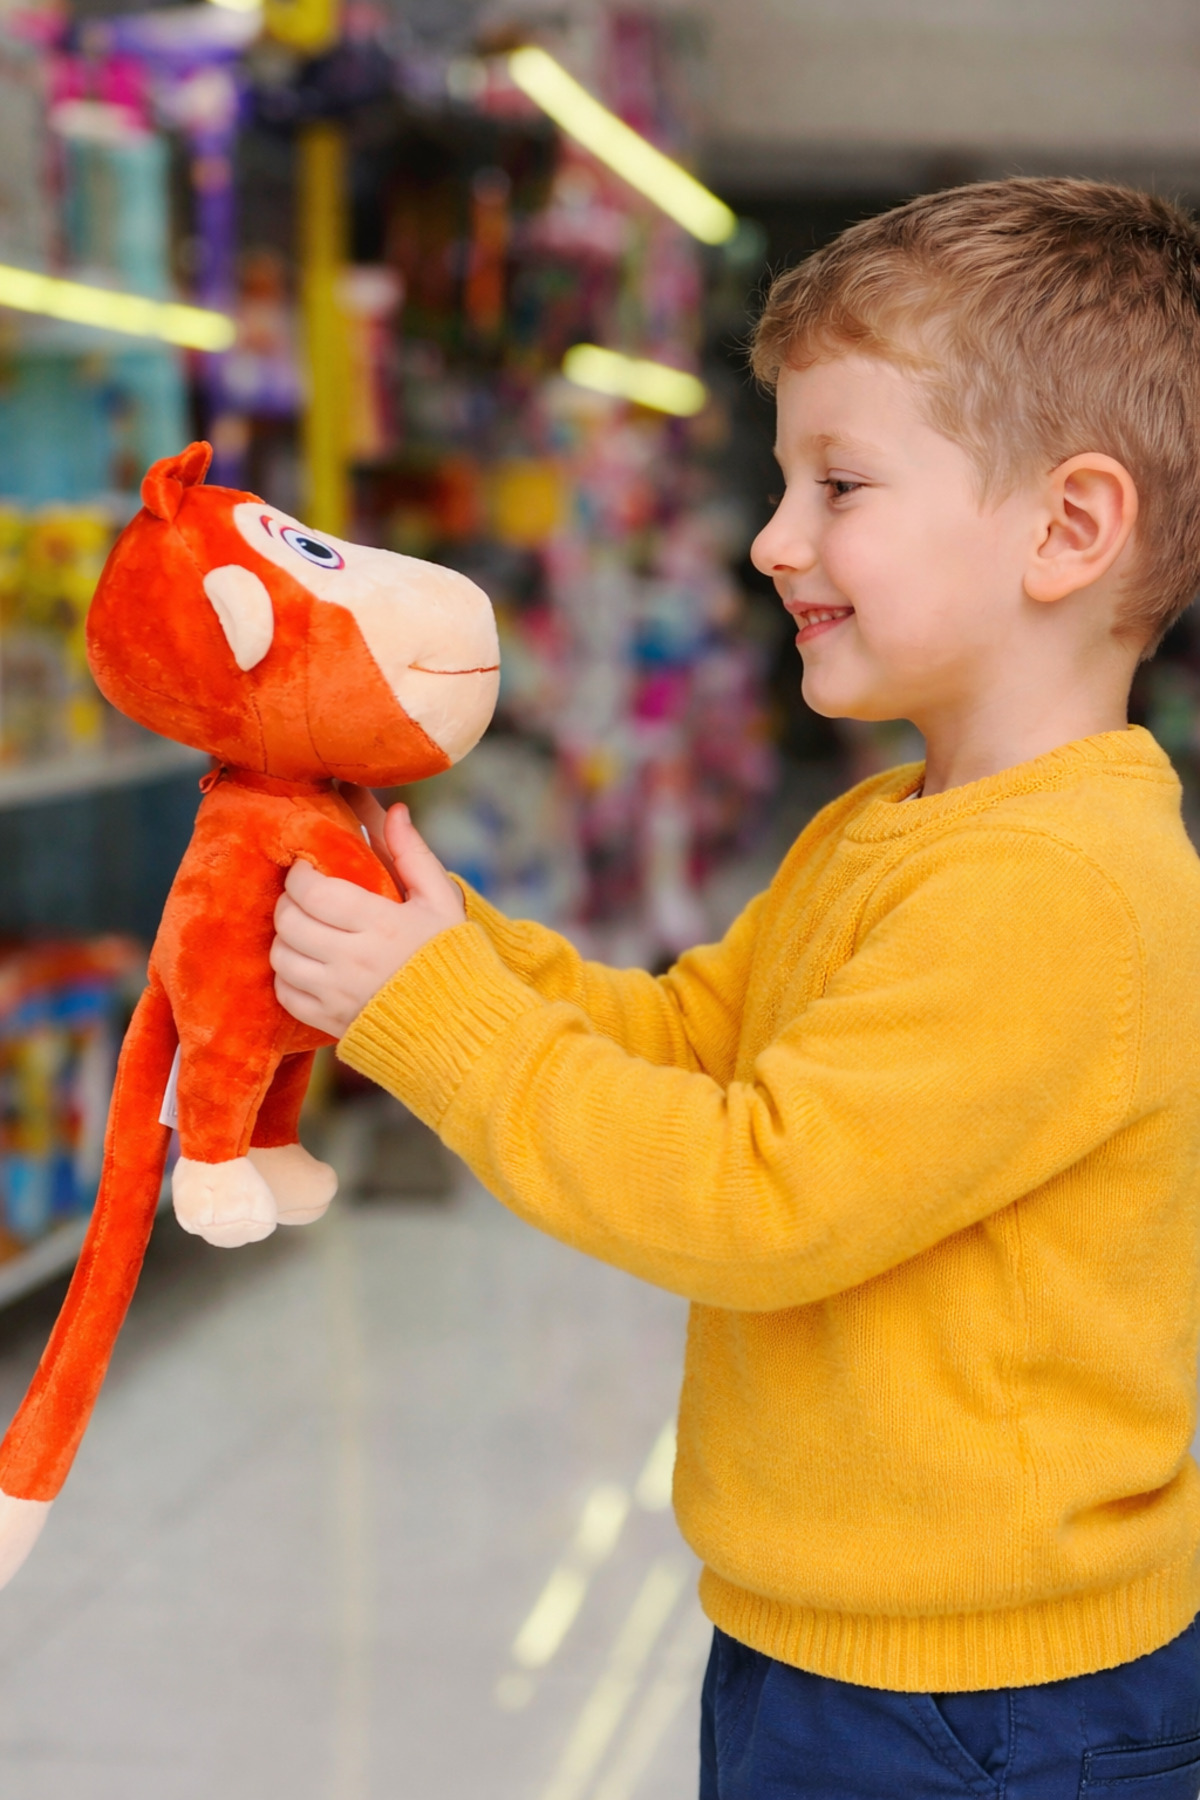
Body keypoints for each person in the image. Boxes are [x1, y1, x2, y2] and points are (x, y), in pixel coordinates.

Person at [269, 178, 1200, 1796]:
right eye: (784, 480)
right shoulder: (890, 826)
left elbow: (753, 1200)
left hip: (989, 1706)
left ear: (1068, 528)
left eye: (837, 482)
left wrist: (436, 1016)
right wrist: (452, 941)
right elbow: (696, 1042)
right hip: (827, 1639)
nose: (773, 538)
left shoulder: (1058, 891)